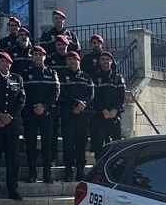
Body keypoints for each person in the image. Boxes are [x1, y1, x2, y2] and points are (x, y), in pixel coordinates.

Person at [0, 52, 26, 201]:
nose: (4, 64)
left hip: (12, 125)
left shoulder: (17, 79)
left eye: (6, 62)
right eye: (1, 61)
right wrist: (0, 116)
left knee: (13, 160)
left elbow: (21, 100)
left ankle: (13, 189)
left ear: (10, 64)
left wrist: (10, 117)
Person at [20, 45, 61, 184]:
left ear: (44, 56)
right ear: (32, 57)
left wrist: (44, 106)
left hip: (47, 114)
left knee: (47, 144)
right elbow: (23, 93)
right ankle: (32, 173)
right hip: (30, 114)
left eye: (40, 54)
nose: (37, 57)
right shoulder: (26, 73)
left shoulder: (51, 73)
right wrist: (34, 107)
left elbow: (55, 93)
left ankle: (47, 174)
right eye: (35, 54)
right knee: (30, 144)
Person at [57, 51, 94, 182]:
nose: (72, 61)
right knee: (68, 145)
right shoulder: (61, 76)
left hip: (82, 116)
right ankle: (68, 171)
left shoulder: (86, 77)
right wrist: (75, 104)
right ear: (66, 62)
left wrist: (83, 104)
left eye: (74, 59)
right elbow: (60, 94)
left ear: (79, 61)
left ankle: (80, 171)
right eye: (69, 59)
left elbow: (91, 94)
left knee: (81, 145)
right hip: (68, 115)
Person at [89, 51, 127, 158]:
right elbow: (94, 96)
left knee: (116, 145)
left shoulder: (118, 77)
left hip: (114, 116)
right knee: (98, 145)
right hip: (99, 116)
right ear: (99, 62)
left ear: (112, 62)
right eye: (103, 59)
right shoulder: (94, 77)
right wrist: (103, 109)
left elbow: (121, 96)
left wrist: (115, 109)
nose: (105, 62)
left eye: (108, 59)